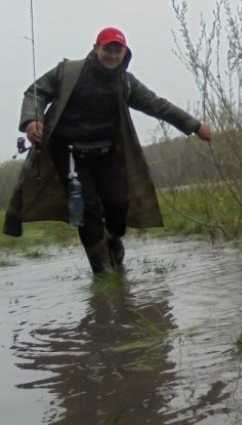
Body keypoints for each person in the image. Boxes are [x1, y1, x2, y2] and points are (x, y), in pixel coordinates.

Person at [3, 27, 213, 274]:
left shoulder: (126, 82)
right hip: (69, 155)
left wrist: (195, 126)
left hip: (106, 153)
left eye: (118, 50)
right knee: (87, 213)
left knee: (117, 205)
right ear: (96, 49)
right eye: (108, 49)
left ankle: (112, 239)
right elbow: (35, 92)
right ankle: (102, 274)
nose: (113, 55)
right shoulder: (68, 72)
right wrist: (32, 120)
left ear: (124, 52)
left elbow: (158, 106)